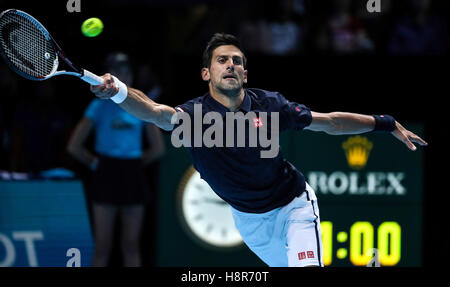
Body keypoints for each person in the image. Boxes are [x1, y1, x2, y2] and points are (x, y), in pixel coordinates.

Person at [90, 33, 427, 267]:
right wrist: (118, 90)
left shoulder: (271, 106)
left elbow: (331, 122)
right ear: (207, 73)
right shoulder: (192, 118)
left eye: (237, 61)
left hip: (292, 204)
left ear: (246, 74)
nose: (231, 65)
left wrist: (385, 122)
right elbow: (152, 111)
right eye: (222, 60)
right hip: (250, 222)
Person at [67, 52, 165, 267]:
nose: (124, 74)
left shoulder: (141, 104)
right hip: (106, 175)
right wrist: (98, 165)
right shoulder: (98, 106)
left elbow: (157, 148)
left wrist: (135, 165)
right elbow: (74, 146)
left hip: (133, 175)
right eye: (118, 70)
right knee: (102, 246)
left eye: (127, 70)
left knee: (130, 245)